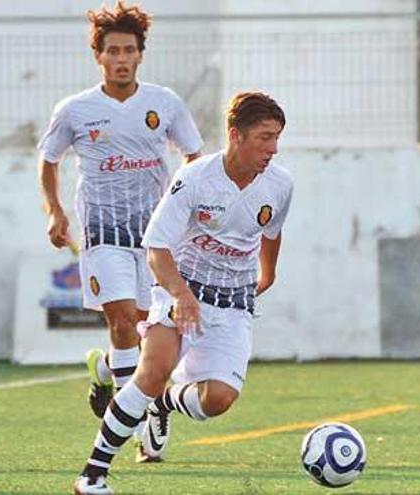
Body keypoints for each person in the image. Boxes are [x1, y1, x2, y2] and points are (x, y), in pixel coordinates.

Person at [73, 91, 292, 494]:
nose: (273, 148)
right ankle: (92, 475)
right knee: (152, 370)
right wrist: (179, 294)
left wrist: (268, 273)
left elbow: (272, 232)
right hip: (181, 289)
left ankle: (165, 402)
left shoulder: (280, 185)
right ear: (235, 135)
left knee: (218, 400)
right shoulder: (194, 178)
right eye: (264, 137)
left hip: (233, 301)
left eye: (277, 137)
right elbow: (156, 248)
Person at [37, 0, 203, 446]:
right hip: (102, 232)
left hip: (156, 237)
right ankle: (145, 420)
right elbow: (49, 160)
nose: (122, 59)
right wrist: (55, 210)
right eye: (113, 51)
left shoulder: (163, 103)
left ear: (140, 54)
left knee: (148, 325)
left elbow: (193, 156)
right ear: (99, 56)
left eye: (129, 50)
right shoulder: (75, 109)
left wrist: (190, 206)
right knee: (123, 318)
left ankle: (107, 369)